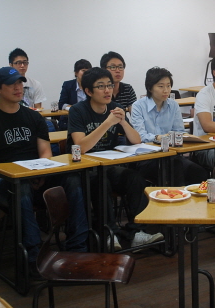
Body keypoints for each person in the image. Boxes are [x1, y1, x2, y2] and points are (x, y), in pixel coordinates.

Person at [0, 67, 88, 275]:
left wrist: (40, 173)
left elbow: (45, 153)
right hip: (5, 183)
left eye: (20, 83)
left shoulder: (34, 118)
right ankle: (34, 255)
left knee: (73, 178)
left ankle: (77, 247)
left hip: (37, 176)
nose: (18, 88)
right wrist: (19, 174)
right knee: (21, 188)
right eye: (11, 84)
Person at [68, 67, 163, 250]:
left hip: (108, 165)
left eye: (109, 85)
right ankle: (109, 234)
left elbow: (136, 140)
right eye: (101, 86)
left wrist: (123, 122)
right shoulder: (78, 111)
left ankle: (137, 232)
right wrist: (107, 123)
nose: (107, 90)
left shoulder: (114, 107)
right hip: (84, 169)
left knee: (135, 179)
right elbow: (81, 146)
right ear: (88, 91)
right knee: (101, 182)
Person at [131, 67, 209, 185]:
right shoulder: (138, 106)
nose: (166, 90)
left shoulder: (173, 105)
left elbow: (179, 131)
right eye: (161, 86)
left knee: (199, 173)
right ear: (150, 88)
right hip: (147, 158)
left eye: (168, 86)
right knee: (175, 169)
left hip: (171, 155)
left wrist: (187, 137)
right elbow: (140, 136)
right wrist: (158, 137)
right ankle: (176, 196)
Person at [57, 59, 92, 130]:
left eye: (88, 71)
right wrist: (76, 109)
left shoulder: (92, 86)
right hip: (70, 118)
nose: (86, 74)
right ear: (76, 73)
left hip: (89, 119)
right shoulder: (68, 85)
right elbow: (62, 104)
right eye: (83, 71)